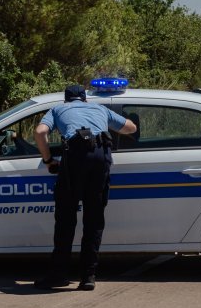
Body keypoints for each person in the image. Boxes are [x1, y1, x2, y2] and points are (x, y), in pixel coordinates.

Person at [33, 84, 137, 291]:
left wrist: (48, 160)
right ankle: (88, 276)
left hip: (74, 160)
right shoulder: (99, 109)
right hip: (100, 158)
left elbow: (40, 132)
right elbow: (131, 128)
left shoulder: (57, 109)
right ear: (85, 99)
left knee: (65, 219)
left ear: (66, 100)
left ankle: (58, 275)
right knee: (94, 219)